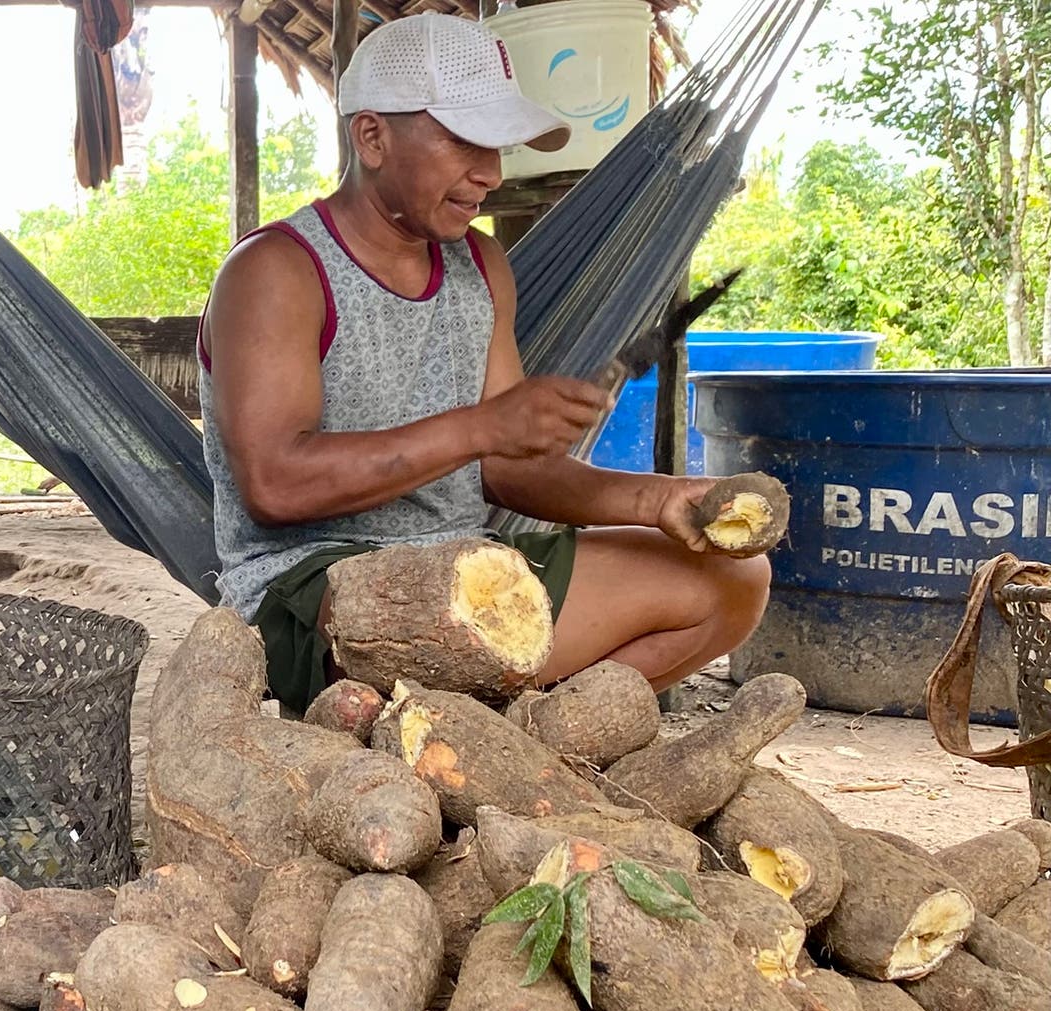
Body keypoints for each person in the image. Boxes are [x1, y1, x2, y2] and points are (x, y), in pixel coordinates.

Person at [199, 13, 771, 714]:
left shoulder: (480, 265)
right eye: (465, 142)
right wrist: (482, 426)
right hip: (318, 588)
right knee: (469, 628)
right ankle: (455, 725)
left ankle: (516, 743)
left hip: (470, 567)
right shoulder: (276, 272)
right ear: (372, 137)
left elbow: (505, 467)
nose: (491, 174)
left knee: (732, 580)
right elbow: (275, 485)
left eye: (499, 146)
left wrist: (655, 501)